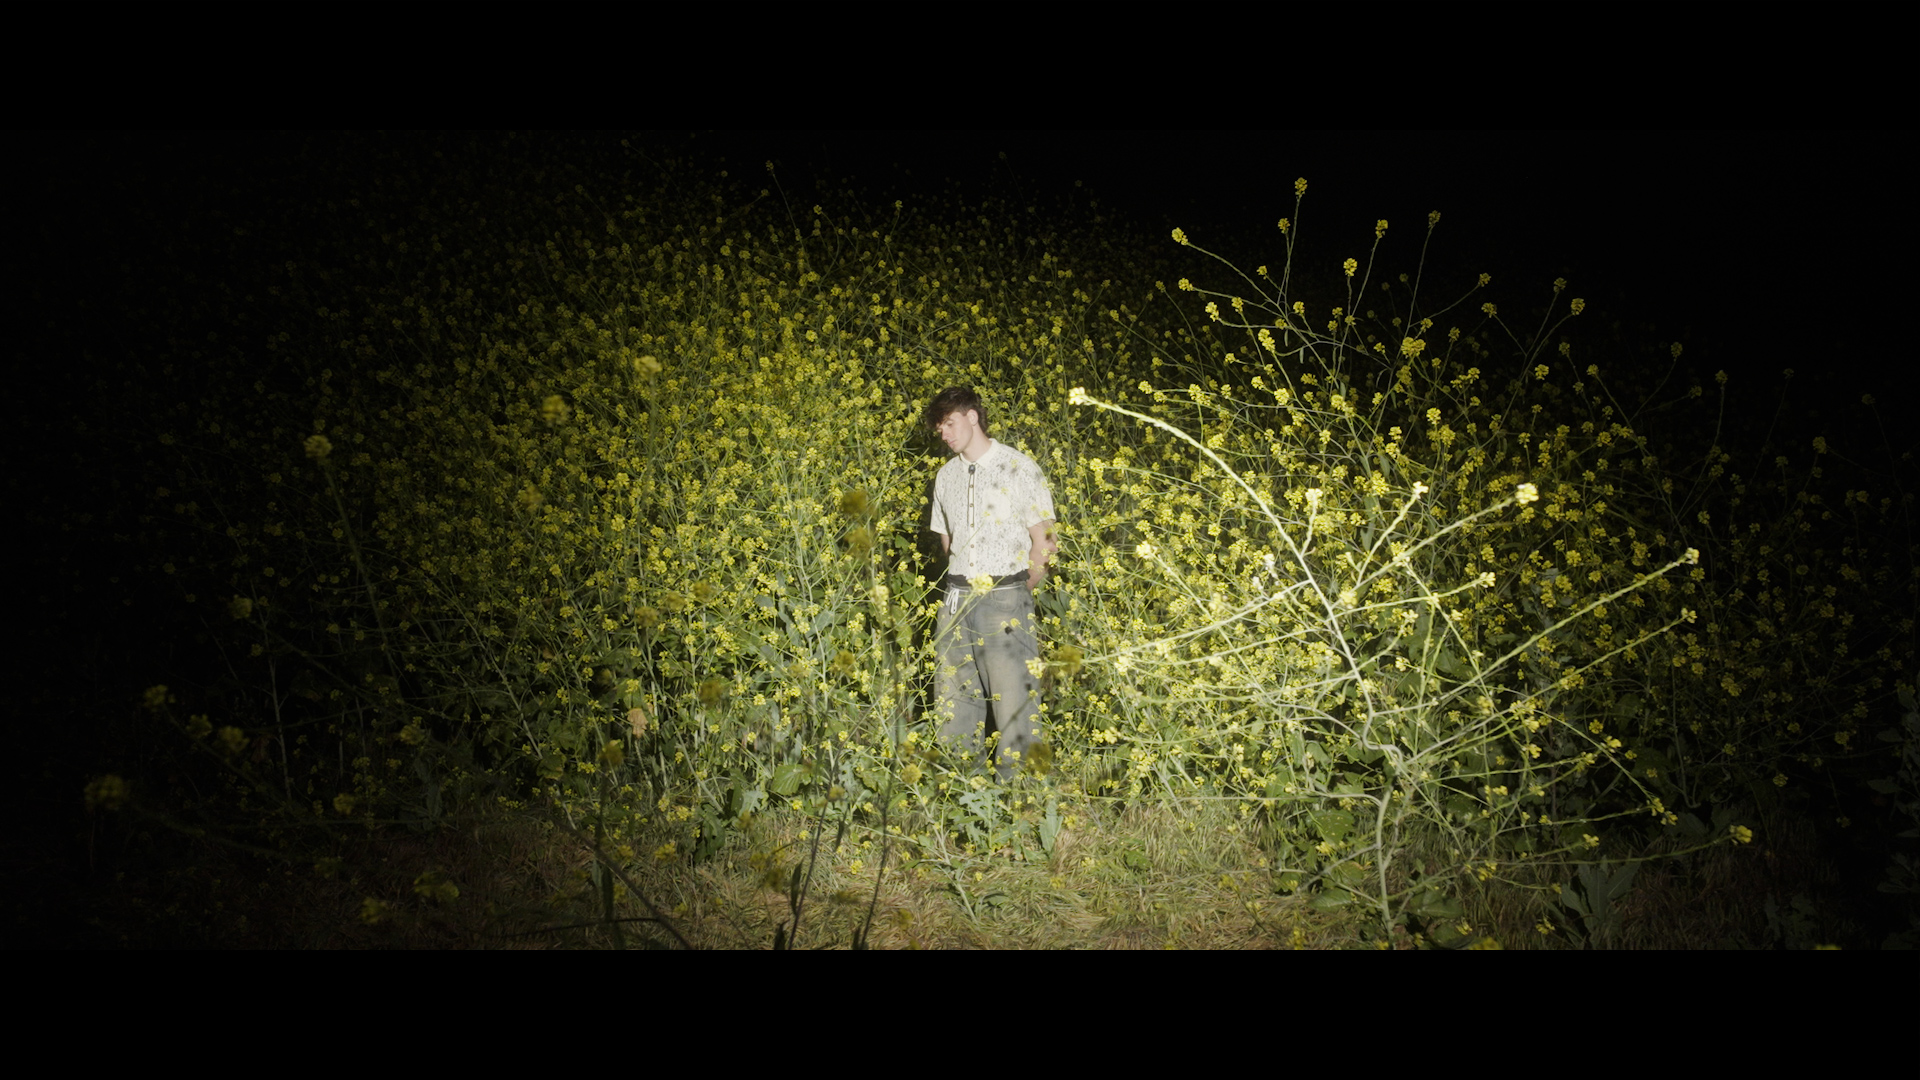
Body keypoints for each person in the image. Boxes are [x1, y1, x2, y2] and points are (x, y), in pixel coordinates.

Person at [923, 386, 1058, 780]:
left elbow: (1045, 541)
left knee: (1015, 704)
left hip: (1005, 595)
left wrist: (1016, 592)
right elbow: (948, 541)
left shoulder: (1018, 467)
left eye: (949, 423)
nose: (944, 434)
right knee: (952, 701)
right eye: (939, 428)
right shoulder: (945, 476)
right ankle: (962, 787)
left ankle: (1019, 794)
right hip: (955, 597)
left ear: (972, 417)